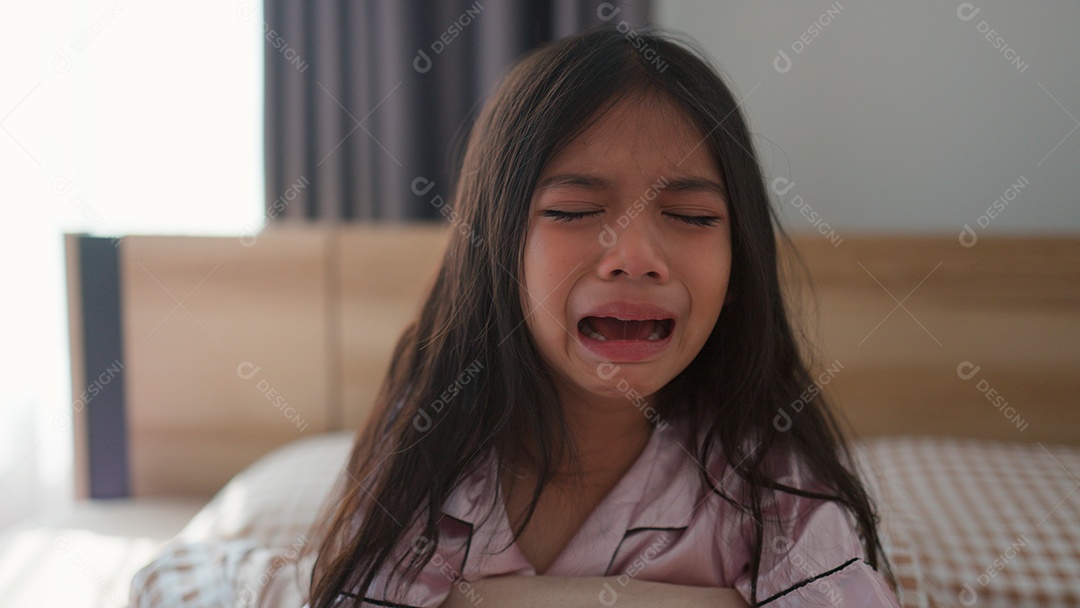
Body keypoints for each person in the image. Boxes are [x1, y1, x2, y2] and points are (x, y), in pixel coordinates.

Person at [306, 26, 900, 608]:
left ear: (738, 266)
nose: (635, 257)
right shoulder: (430, 450)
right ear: (497, 251)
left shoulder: (766, 477)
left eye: (692, 217)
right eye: (575, 210)